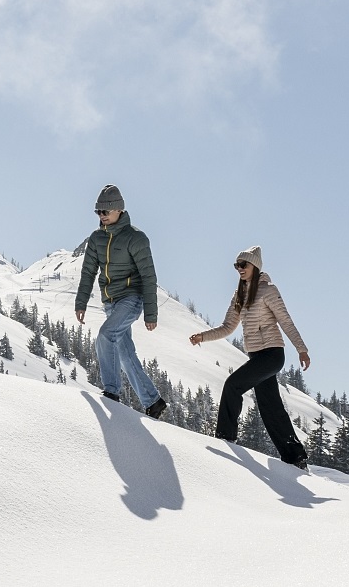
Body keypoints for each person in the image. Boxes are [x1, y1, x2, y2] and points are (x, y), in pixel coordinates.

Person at [187, 246, 312, 470]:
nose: (239, 269)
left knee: (232, 385)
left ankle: (225, 437)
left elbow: (286, 321)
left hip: (272, 354)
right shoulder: (240, 295)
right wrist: (202, 337)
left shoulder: (268, 290)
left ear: (255, 266)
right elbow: (227, 327)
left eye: (243, 265)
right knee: (270, 406)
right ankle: (295, 457)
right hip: (257, 356)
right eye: (237, 266)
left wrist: (301, 349)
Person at [74, 185, 168, 419]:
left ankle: (112, 393)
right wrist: (81, 302)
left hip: (131, 298)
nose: (101, 216)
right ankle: (153, 401)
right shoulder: (96, 239)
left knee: (106, 336)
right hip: (110, 302)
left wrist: (151, 313)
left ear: (119, 209)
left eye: (105, 211)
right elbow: (88, 272)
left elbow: (148, 276)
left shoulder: (135, 238)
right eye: (98, 212)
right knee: (125, 353)